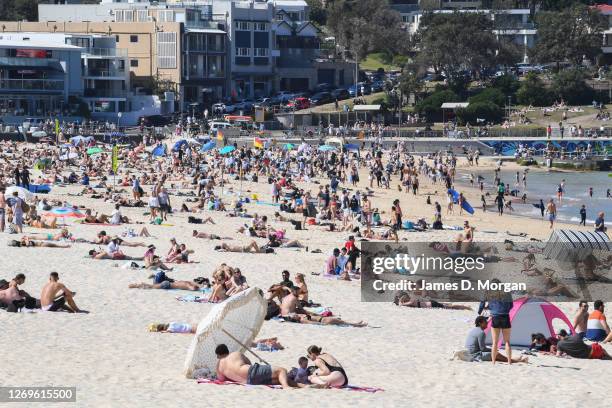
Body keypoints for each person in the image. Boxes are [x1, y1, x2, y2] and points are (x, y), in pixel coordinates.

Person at [215, 344, 296, 389]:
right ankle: (286, 387)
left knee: (279, 379)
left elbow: (221, 379)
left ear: (218, 355)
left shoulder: (219, 366)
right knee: (281, 370)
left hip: (249, 382)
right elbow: (249, 363)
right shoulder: (235, 354)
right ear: (227, 351)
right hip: (251, 372)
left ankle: (301, 385)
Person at [487, 286, 514, 364]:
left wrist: (494, 310)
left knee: (495, 342)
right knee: (507, 342)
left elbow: (490, 306)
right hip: (505, 317)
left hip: (495, 317)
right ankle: (509, 362)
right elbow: (511, 305)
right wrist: (505, 310)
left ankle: (493, 362)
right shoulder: (507, 294)